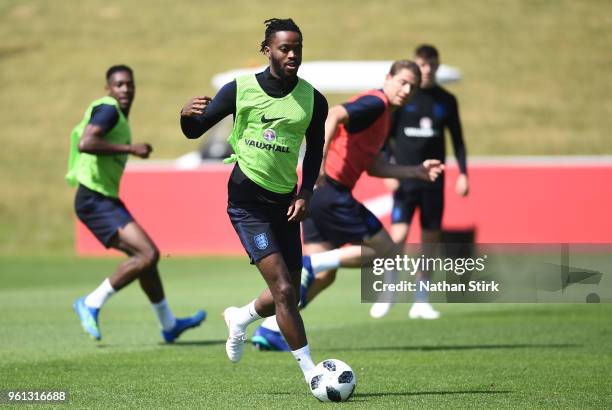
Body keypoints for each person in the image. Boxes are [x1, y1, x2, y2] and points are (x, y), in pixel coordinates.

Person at [252, 60, 444, 351]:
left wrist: (415, 171)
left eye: (412, 87)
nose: (406, 90)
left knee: (324, 276)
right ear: (388, 78)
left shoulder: (384, 117)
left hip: (317, 196)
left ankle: (271, 329)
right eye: (402, 82)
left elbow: (374, 165)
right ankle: (310, 265)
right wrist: (318, 162)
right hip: (331, 191)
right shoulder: (376, 103)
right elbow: (335, 114)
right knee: (387, 251)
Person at [179, 18, 327, 383]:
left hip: (286, 203)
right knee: (284, 290)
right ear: (267, 50)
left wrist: (306, 192)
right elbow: (194, 130)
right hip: (248, 203)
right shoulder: (240, 89)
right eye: (284, 48)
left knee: (288, 290)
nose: (292, 54)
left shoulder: (313, 99)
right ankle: (312, 374)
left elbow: (315, 150)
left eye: (297, 48)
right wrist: (185, 117)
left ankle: (240, 316)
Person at [66, 65, 206, 343]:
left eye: (129, 84)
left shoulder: (116, 115)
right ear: (108, 89)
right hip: (93, 198)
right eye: (119, 85)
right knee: (147, 254)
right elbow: (86, 142)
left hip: (102, 197)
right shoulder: (108, 110)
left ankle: (169, 324)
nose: (125, 89)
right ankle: (91, 303)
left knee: (147, 260)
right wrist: (131, 149)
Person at [373, 44, 469, 320]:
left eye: (432, 65)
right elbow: (383, 138)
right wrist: (390, 171)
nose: (427, 70)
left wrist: (463, 173)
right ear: (416, 66)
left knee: (429, 240)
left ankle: (421, 299)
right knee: (398, 238)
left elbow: (458, 141)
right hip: (405, 180)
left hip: (434, 182)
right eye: (422, 65)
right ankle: (388, 292)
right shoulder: (404, 98)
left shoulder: (446, 101)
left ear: (438, 67)